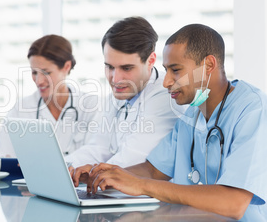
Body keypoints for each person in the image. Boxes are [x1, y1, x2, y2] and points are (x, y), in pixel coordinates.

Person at [80, 24, 267, 220]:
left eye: (176, 70)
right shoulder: (193, 113)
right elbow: (153, 170)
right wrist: (107, 175)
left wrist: (142, 185)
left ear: (209, 66)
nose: (166, 82)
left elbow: (234, 203)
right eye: (166, 70)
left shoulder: (254, 110)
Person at [66, 16, 186, 171]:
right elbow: (98, 149)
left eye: (127, 68)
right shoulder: (120, 94)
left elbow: (132, 159)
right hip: (116, 190)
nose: (115, 79)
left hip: (147, 193)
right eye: (109, 67)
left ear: (150, 61)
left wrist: (90, 172)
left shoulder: (166, 96)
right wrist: (62, 167)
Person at [0, 34, 98, 157]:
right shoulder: (21, 109)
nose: (39, 81)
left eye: (46, 72)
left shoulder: (90, 105)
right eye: (34, 72)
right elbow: (4, 156)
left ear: (66, 67)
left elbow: (96, 155)